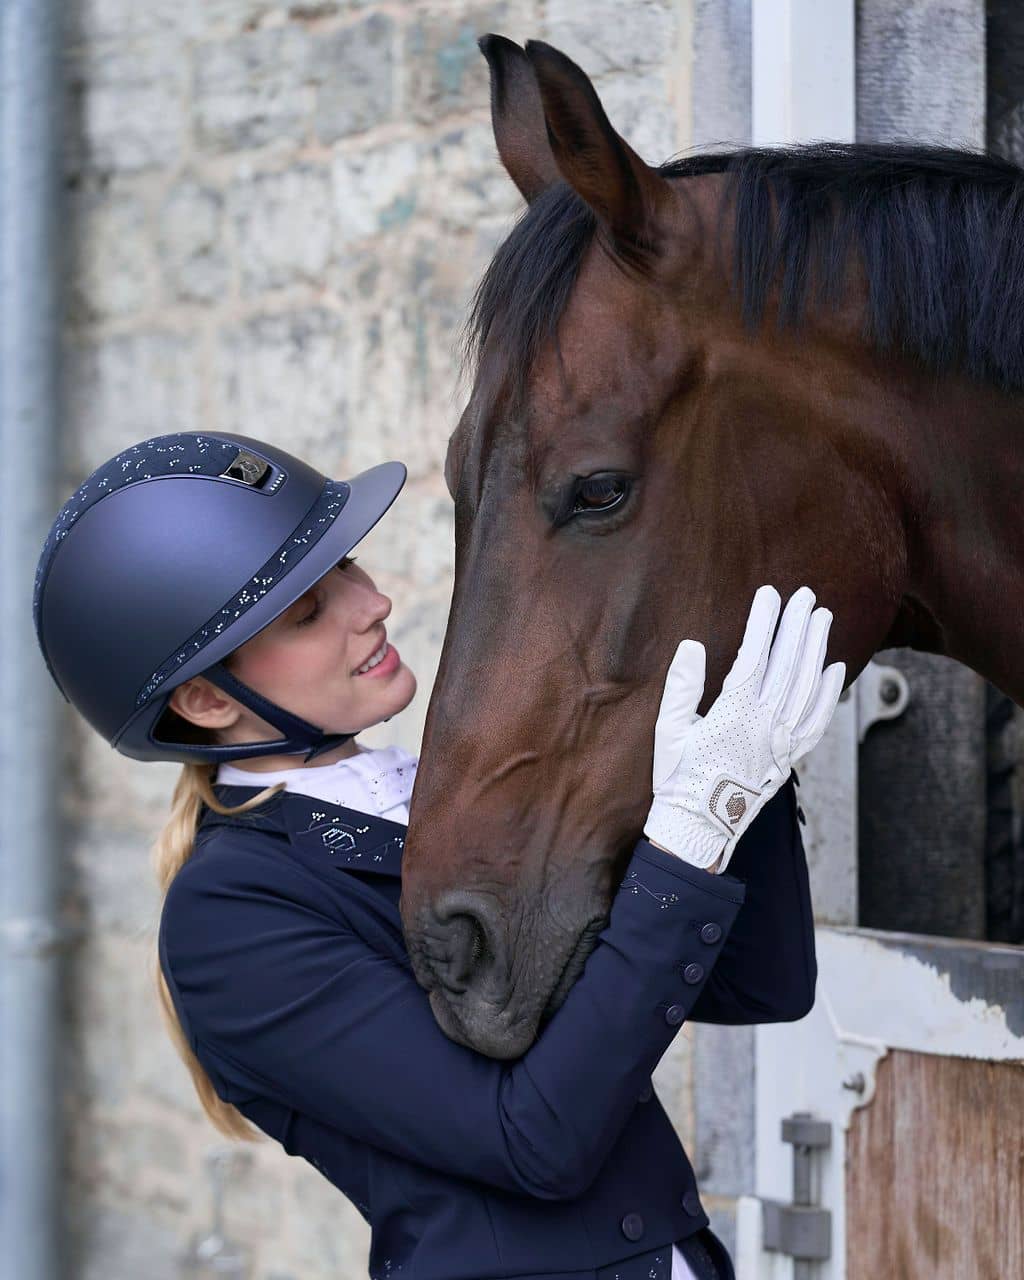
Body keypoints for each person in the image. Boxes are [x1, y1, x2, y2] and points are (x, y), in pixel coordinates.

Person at [33, 430, 845, 1280]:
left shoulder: (445, 800)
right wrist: (691, 830)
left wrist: (739, 762)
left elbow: (761, 983)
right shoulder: (229, 916)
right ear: (205, 700)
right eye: (308, 612)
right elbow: (533, 1139)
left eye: (347, 568)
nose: (371, 603)